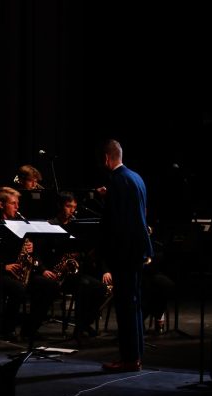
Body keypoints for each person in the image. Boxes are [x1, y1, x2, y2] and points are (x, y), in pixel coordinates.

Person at [0, 187, 59, 347]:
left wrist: (30, 250)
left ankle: (30, 329)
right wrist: (3, 266)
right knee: (18, 288)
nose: (17, 207)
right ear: (1, 205)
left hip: (17, 273)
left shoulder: (21, 226)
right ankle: (7, 330)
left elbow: (29, 255)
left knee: (50, 285)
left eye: (17, 204)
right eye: (13, 203)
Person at [98, 139, 153, 372]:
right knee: (135, 303)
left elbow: (117, 221)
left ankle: (129, 359)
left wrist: (105, 198)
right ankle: (135, 355)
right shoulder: (137, 178)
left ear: (107, 159)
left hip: (124, 252)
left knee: (125, 305)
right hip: (138, 249)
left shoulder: (117, 180)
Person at [48, 191, 108, 343]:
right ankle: (79, 330)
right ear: (60, 206)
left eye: (74, 207)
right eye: (69, 206)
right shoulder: (51, 225)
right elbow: (45, 252)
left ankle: (83, 324)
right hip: (57, 273)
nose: (72, 210)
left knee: (100, 288)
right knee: (84, 285)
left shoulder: (78, 226)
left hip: (74, 273)